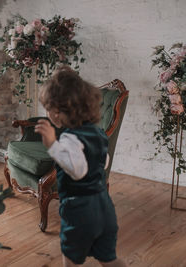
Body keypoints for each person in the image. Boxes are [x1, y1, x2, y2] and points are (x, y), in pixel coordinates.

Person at [34, 65, 126, 267]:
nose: (47, 114)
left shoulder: (69, 138)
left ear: (58, 112)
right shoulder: (98, 133)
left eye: (48, 109)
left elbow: (78, 170)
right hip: (103, 206)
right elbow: (104, 161)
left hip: (80, 210)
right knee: (108, 258)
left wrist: (53, 146)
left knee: (71, 258)